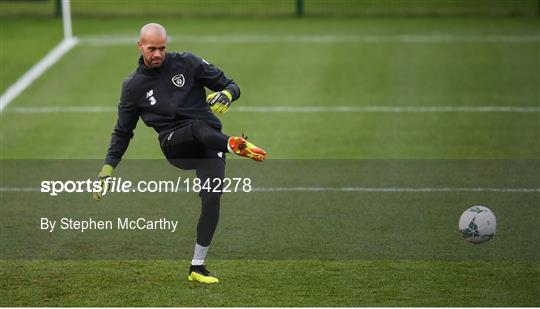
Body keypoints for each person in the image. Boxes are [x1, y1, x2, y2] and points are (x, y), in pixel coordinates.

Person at [92, 23, 267, 284]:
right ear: (140, 46)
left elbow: (231, 85)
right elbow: (122, 132)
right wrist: (107, 170)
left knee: (212, 198)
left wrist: (227, 95)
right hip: (176, 145)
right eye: (152, 49)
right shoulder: (133, 86)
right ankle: (233, 144)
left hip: (210, 142)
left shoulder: (187, 62)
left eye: (162, 48)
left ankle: (197, 267)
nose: (157, 54)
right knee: (197, 126)